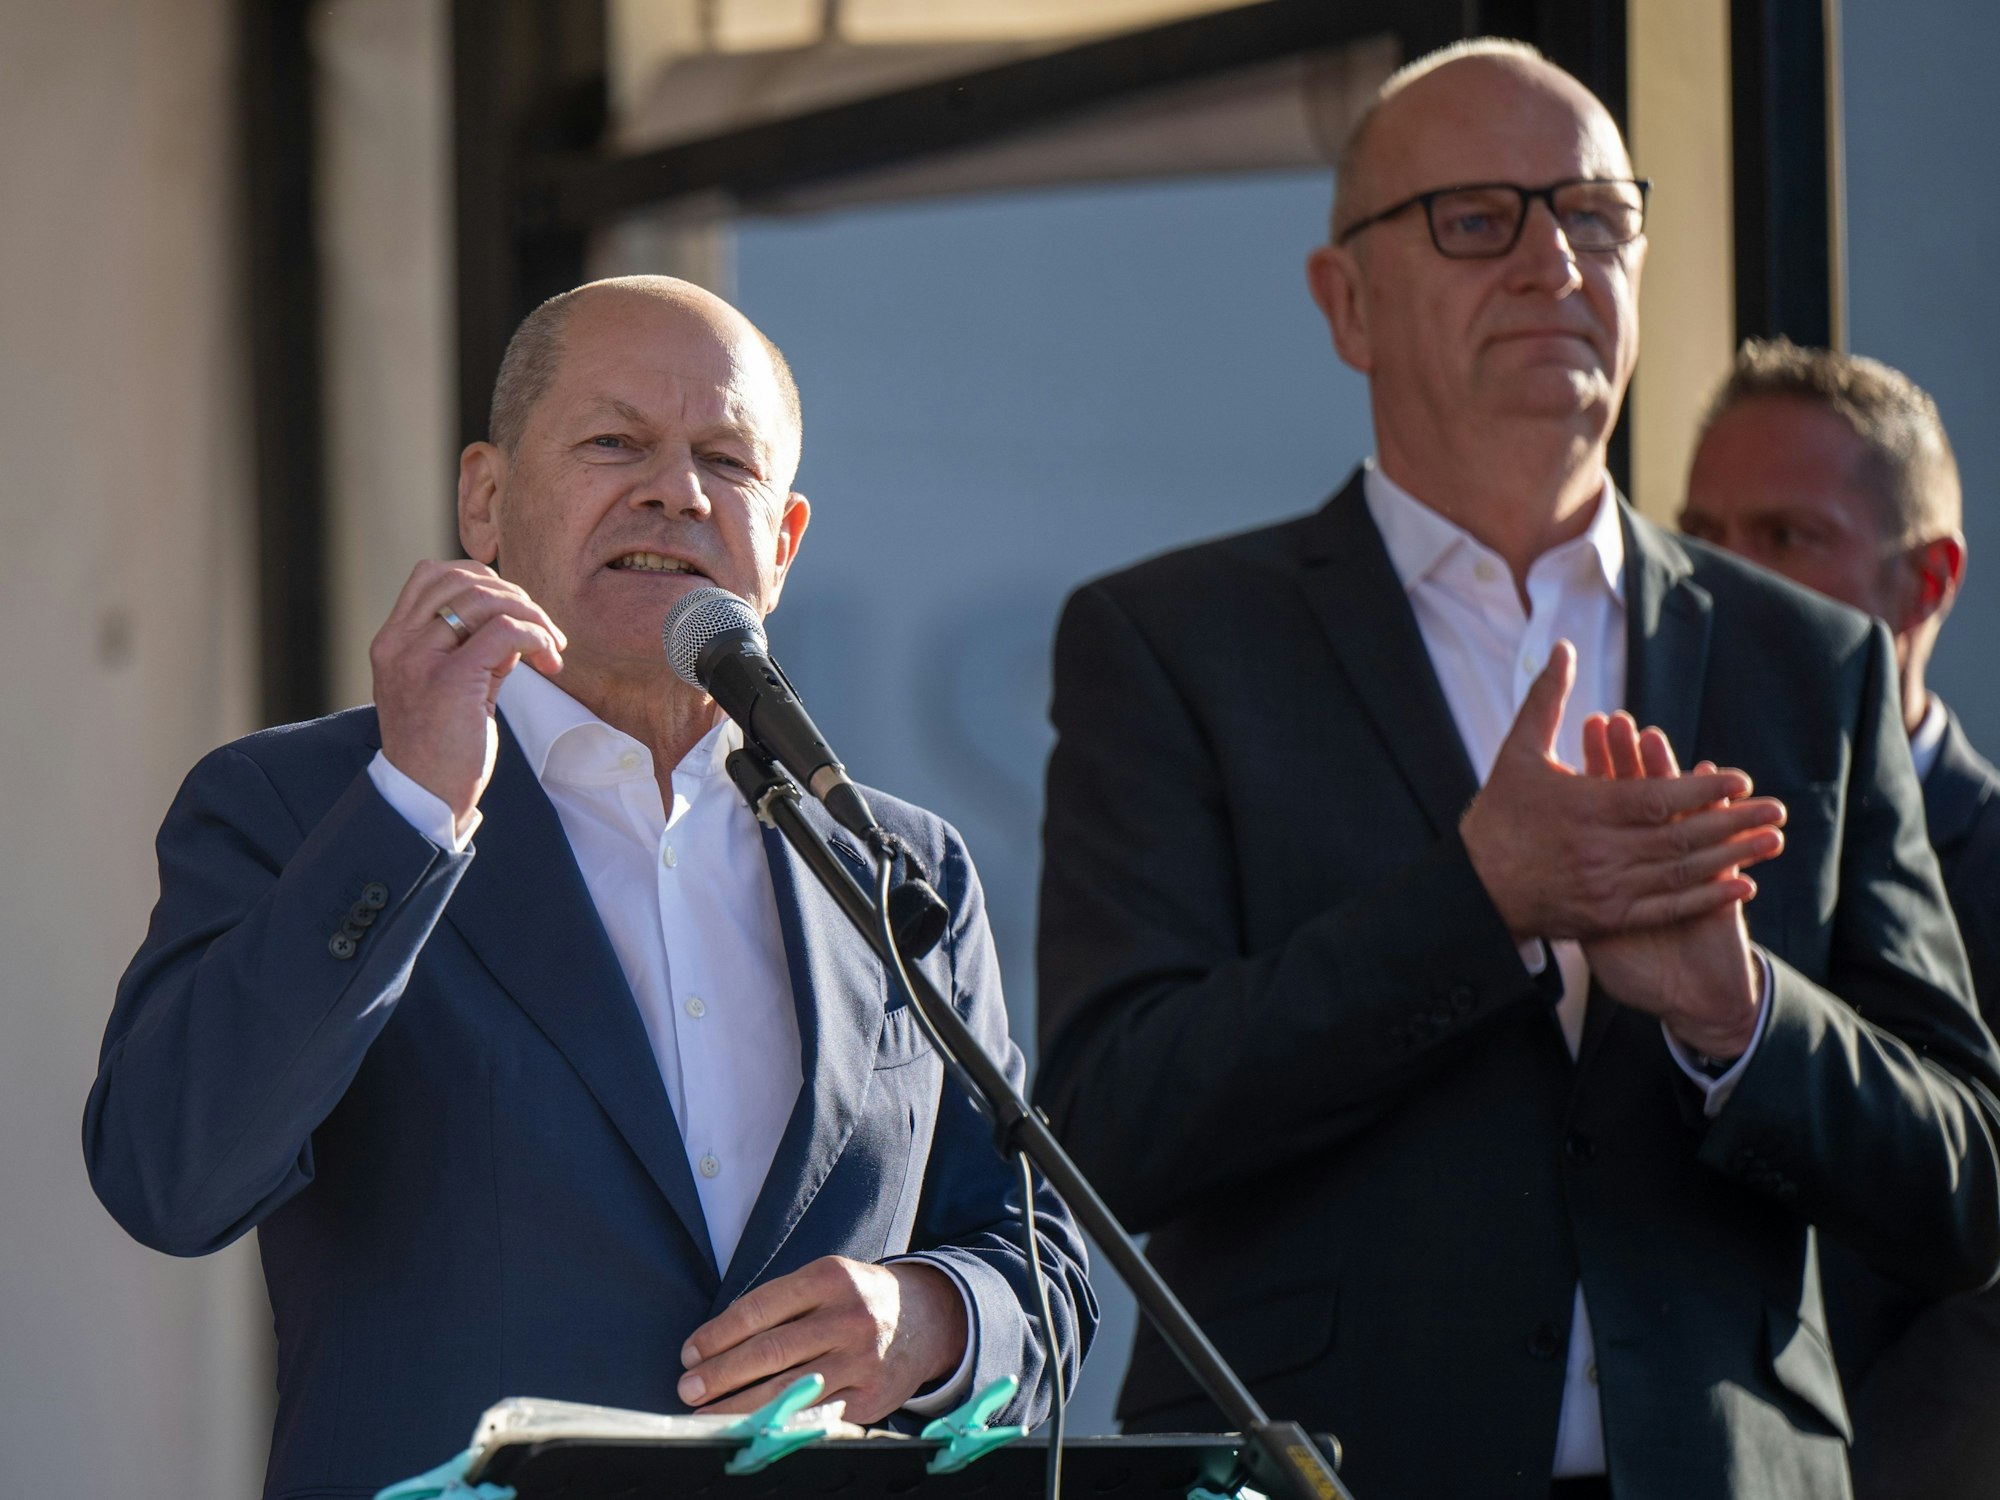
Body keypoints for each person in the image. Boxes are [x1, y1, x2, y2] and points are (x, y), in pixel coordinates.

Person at [1034, 39, 2000, 1500]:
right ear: (1345, 301)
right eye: (1479, 218)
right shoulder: (1171, 645)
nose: (1554, 259)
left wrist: (1738, 1019)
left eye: (1596, 216)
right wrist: (1476, 905)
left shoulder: (1812, 661)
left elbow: (1966, 1186)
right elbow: (1111, 1127)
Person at [84, 276, 1092, 1499]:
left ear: (780, 544)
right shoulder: (302, 805)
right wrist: (411, 807)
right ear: (487, 499)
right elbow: (169, 1176)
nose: (675, 489)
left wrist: (930, 1318)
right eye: (616, 442)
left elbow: (1039, 1256)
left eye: (726, 458)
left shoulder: (896, 864)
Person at [1683, 340, 2000, 1500]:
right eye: (1695, 532)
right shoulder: (1646, 838)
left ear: (1923, 584)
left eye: (1780, 538)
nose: (1716, 578)